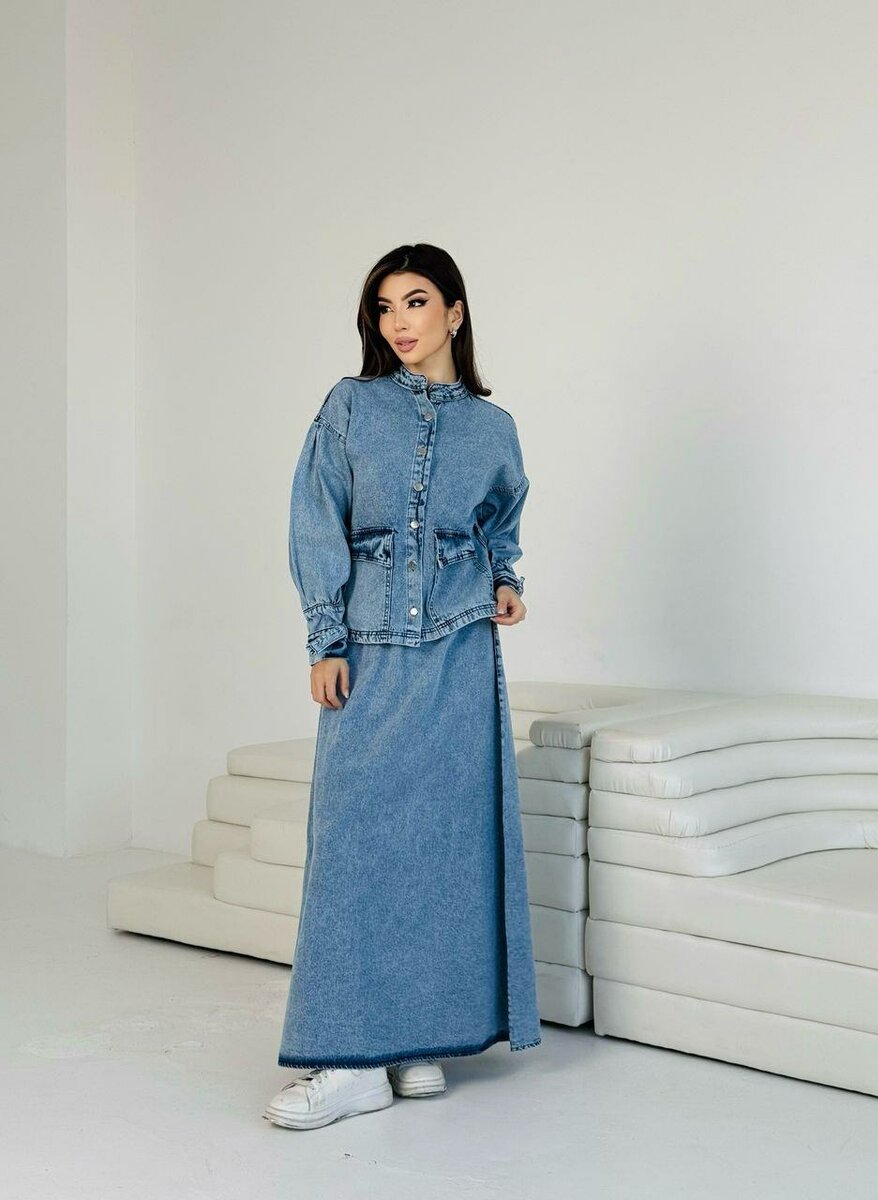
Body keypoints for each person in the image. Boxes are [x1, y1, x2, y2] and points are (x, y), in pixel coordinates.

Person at [264, 243, 541, 1131]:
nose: (398, 323)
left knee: (442, 843)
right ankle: (350, 1057)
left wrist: (505, 580)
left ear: (455, 312)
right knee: (355, 837)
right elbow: (316, 516)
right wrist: (325, 636)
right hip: (371, 648)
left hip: (461, 647)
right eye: (384, 308)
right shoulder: (352, 405)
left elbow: (501, 519)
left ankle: (412, 1043)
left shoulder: (493, 427)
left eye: (416, 302)